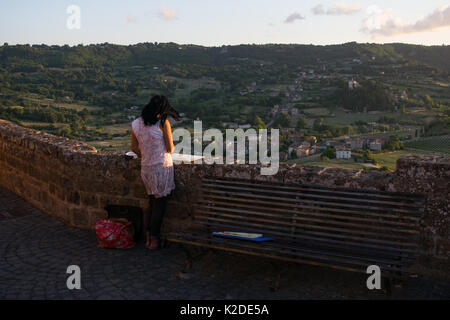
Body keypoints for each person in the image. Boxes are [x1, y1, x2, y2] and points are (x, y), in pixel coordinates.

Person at [131, 95, 180, 250]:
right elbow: (170, 148)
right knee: (159, 204)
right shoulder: (163, 123)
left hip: (146, 168)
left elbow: (134, 148)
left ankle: (147, 236)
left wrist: (145, 154)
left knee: (151, 202)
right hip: (161, 167)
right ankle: (154, 239)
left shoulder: (136, 124)